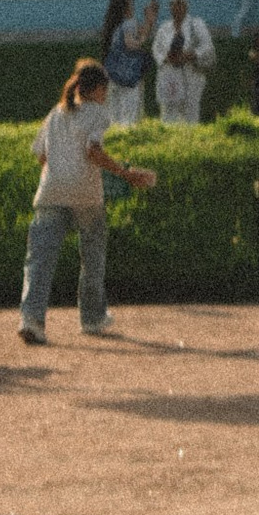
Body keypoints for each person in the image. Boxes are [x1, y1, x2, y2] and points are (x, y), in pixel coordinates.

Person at [19, 57, 156, 346]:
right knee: (92, 255)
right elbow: (93, 151)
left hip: (51, 190)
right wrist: (124, 172)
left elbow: (41, 155)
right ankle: (92, 317)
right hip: (86, 193)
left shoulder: (55, 113)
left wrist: (60, 171)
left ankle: (31, 320)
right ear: (97, 90)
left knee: (40, 260)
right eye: (105, 91)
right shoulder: (97, 113)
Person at [153, 0, 216, 126]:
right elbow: (156, 49)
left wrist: (191, 54)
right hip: (169, 76)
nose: (178, 8)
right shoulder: (164, 28)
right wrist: (166, 59)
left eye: (181, 4)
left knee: (190, 114)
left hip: (190, 76)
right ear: (170, 7)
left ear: (186, 7)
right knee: (169, 114)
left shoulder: (196, 24)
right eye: (174, 5)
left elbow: (207, 46)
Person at [99, 0, 155, 127]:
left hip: (112, 74)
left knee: (113, 116)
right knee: (129, 117)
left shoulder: (113, 24)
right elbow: (132, 44)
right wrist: (141, 42)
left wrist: (149, 21)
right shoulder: (129, 22)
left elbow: (141, 32)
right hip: (127, 74)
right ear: (127, 2)